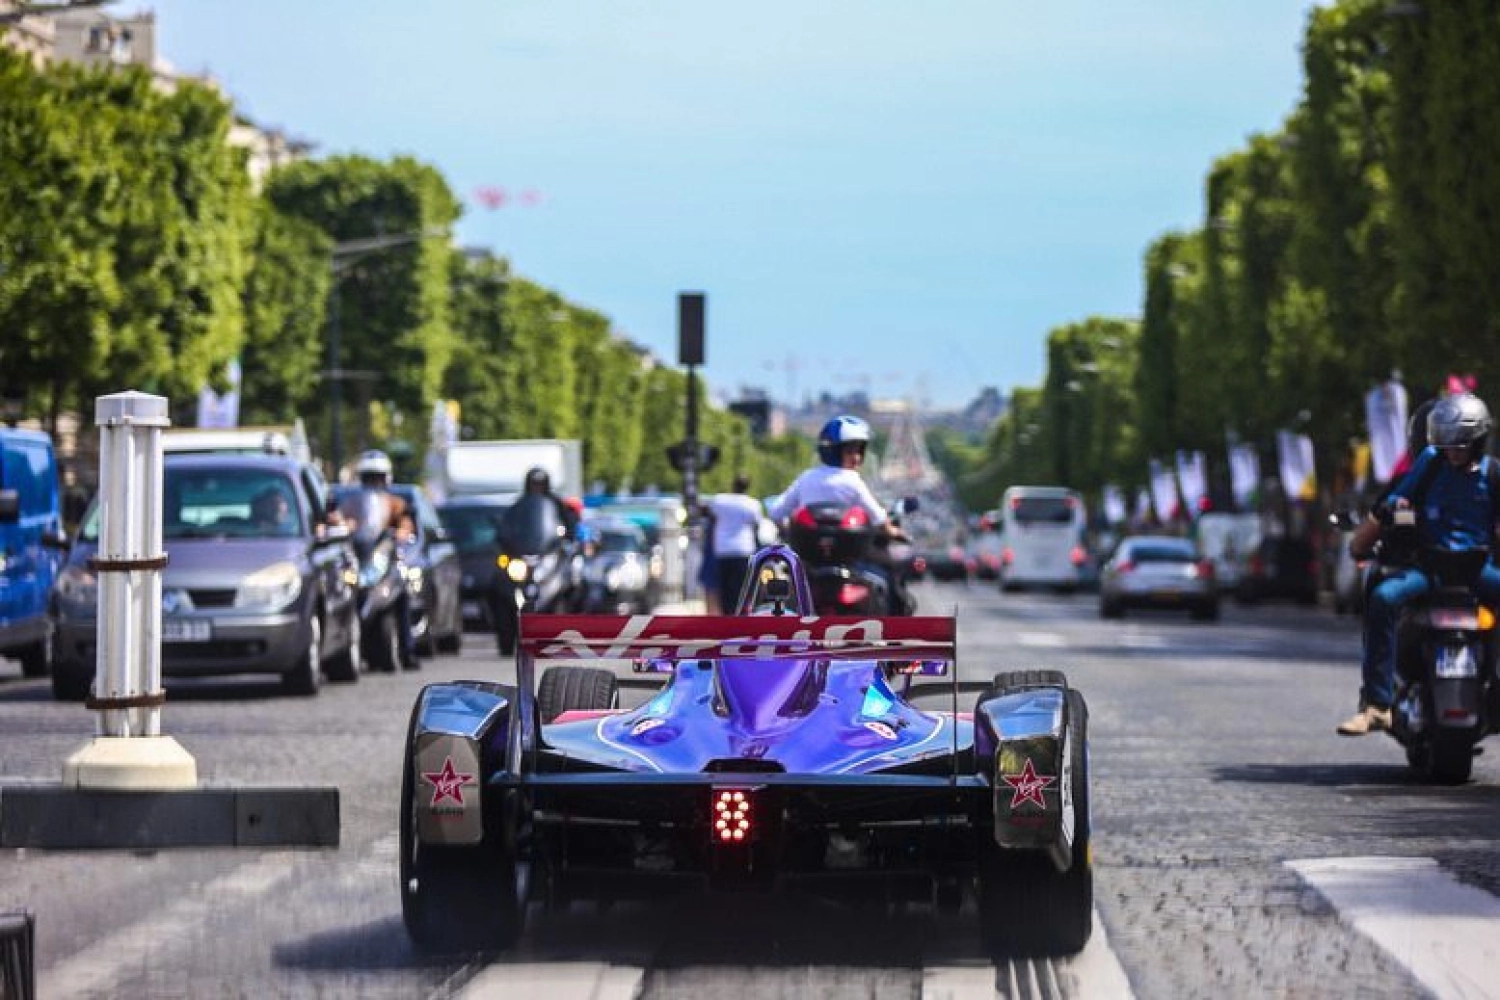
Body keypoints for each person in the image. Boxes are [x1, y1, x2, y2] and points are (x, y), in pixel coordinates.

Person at [1339, 392, 1500, 735]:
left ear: (1479, 440)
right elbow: (1397, 501)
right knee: (1383, 598)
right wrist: (1380, 521)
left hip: (1476, 572)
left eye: (1463, 444)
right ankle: (1378, 705)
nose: (1454, 451)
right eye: (1448, 443)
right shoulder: (1429, 463)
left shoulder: (1494, 473)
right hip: (1431, 572)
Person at [768, 415, 907, 609]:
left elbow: (776, 511)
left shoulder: (807, 478)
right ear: (834, 450)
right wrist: (893, 531)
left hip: (808, 560)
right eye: (851, 451)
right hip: (853, 558)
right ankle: (896, 626)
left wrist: (786, 529)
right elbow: (877, 517)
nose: (857, 457)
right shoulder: (852, 480)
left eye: (860, 451)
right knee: (892, 567)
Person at [345, 449, 419, 669]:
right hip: (360, 558)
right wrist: (342, 525)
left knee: (402, 593)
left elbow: (406, 522)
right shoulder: (352, 502)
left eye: (377, 477)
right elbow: (341, 519)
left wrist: (401, 532)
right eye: (369, 478)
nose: (374, 482)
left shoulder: (395, 503)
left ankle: (408, 650)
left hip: (385, 559)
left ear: (386, 478)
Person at [706, 474, 763, 612]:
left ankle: (727, 616)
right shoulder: (752, 504)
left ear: (733, 484)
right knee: (742, 587)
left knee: (725, 588)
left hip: (723, 549)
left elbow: (710, 517)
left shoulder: (720, 501)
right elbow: (756, 526)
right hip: (744, 549)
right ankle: (741, 614)